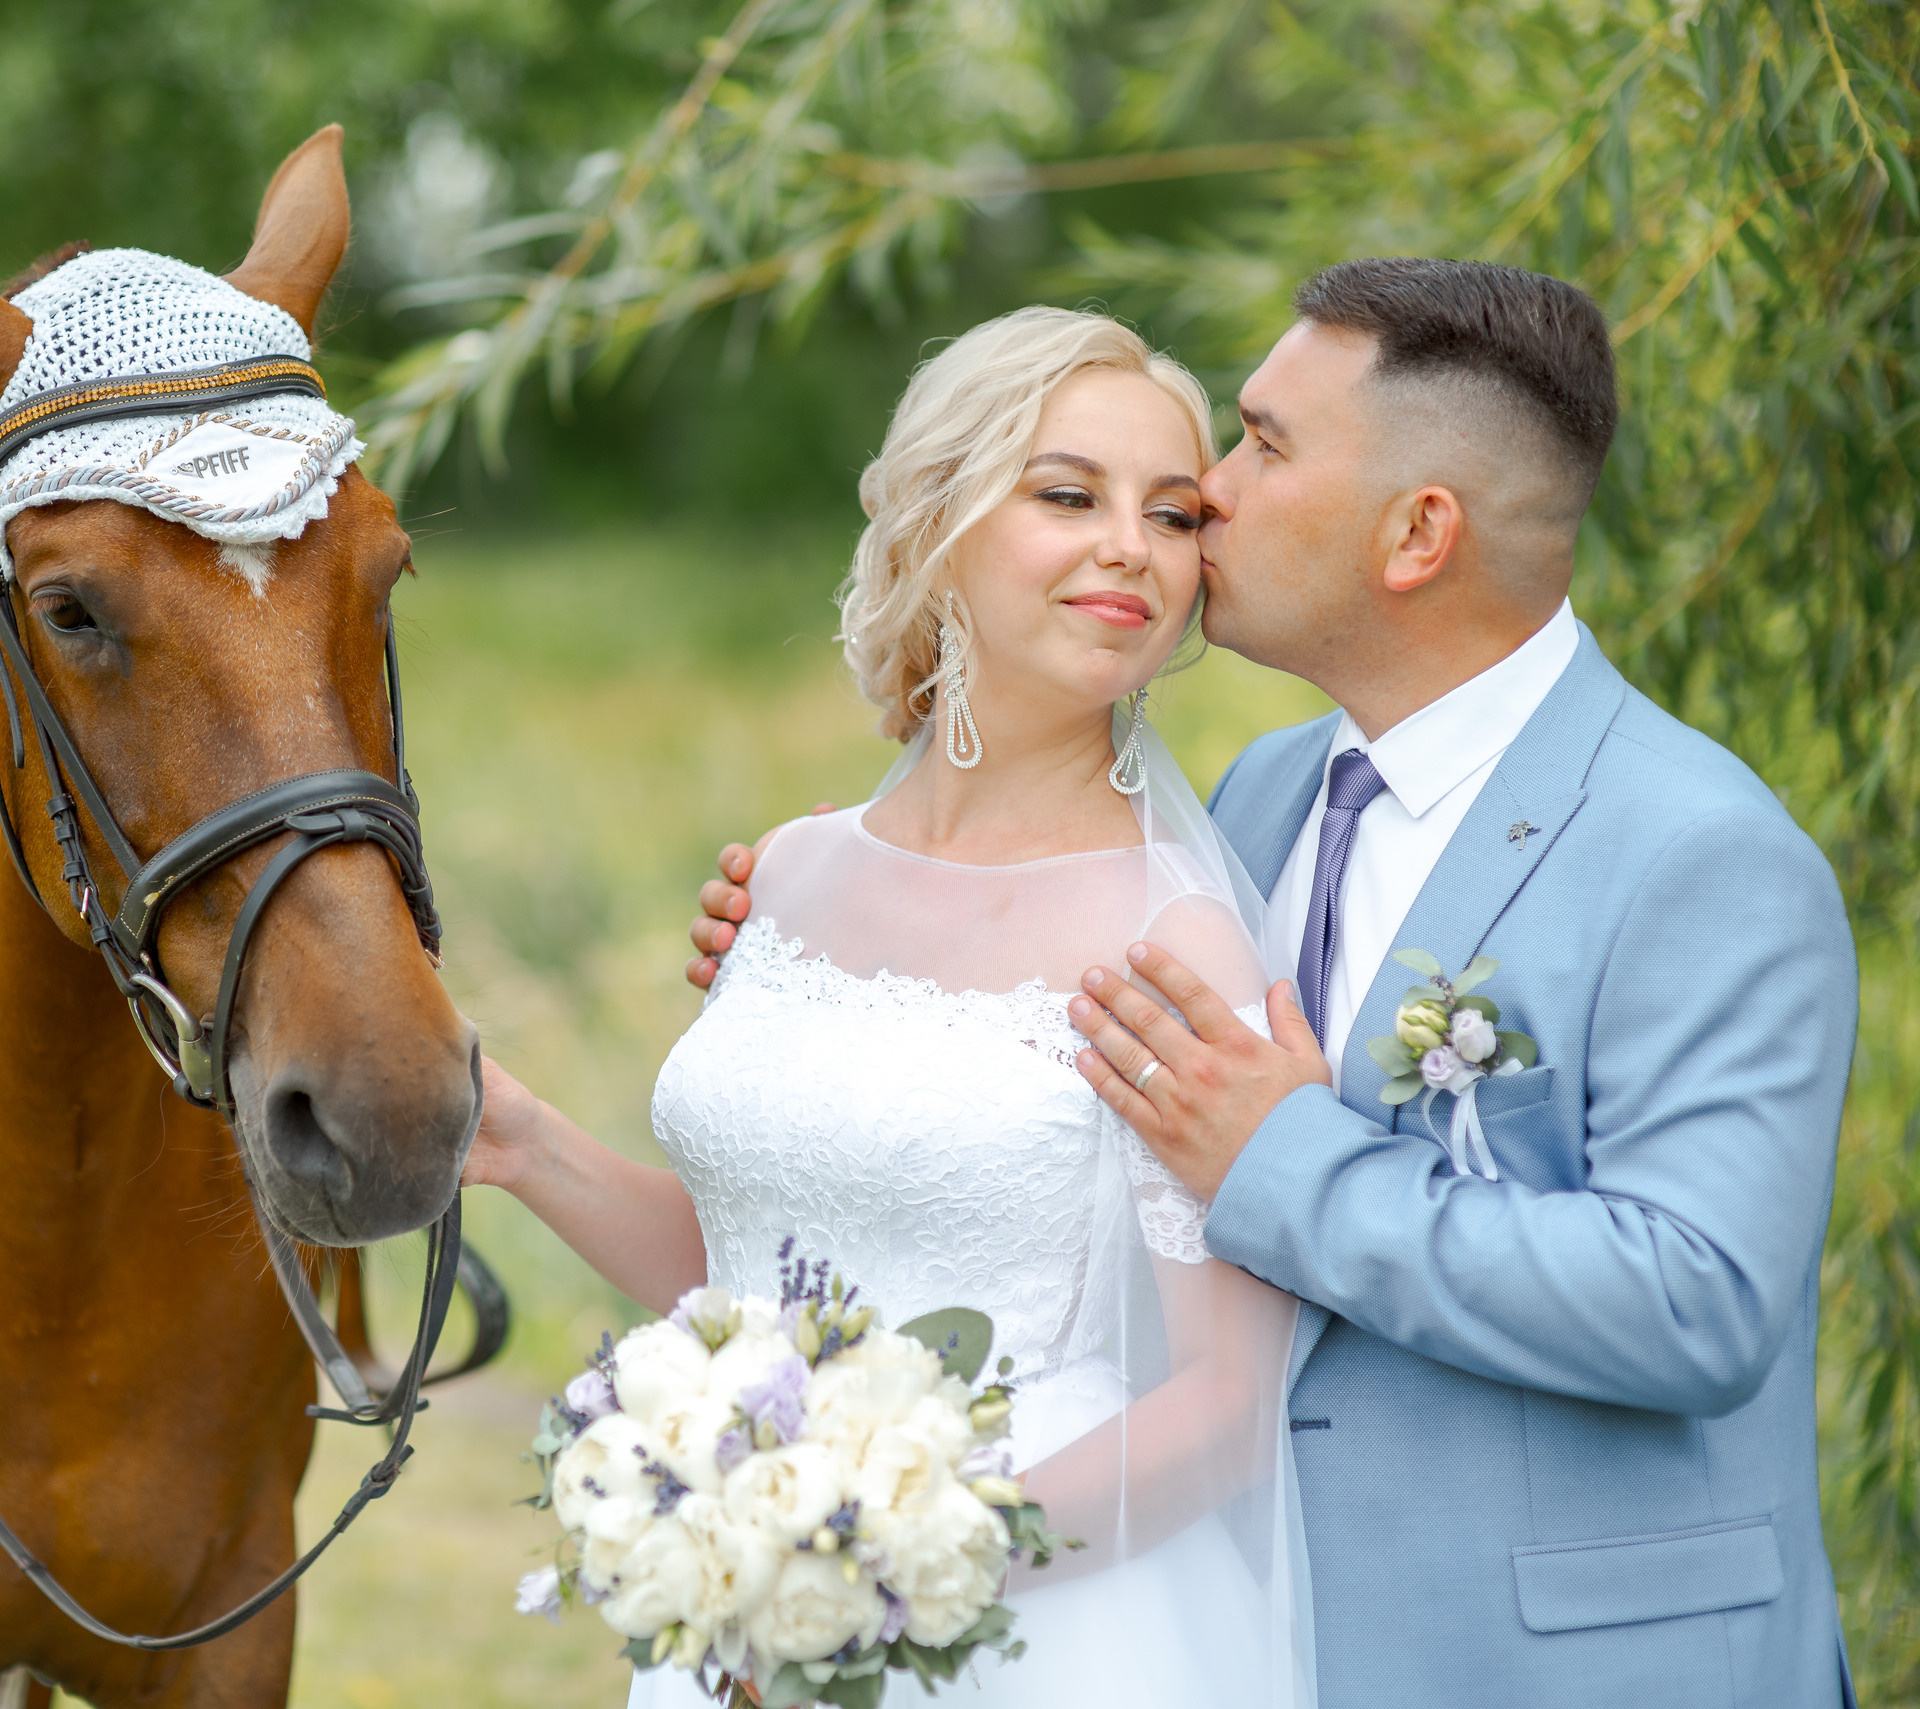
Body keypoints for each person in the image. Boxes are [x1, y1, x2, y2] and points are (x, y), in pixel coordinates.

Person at [691, 260, 1858, 1707]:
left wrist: (1287, 1159)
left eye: (1260, 444)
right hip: (1224, 1632)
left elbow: (1703, 1302)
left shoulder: (1700, 853)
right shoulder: (1263, 796)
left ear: (1418, 531)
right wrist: (831, 997)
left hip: (1558, 1663)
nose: (1211, 494)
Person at [469, 308, 1317, 1706]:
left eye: (1172, 514)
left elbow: (1224, 1407)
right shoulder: (792, 871)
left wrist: (882, 1572)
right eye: (1067, 494)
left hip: (1039, 1626)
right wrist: (521, 1144)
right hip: (750, 1613)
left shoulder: (1174, 939)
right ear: (934, 521)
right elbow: (756, 1271)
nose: (1131, 546)